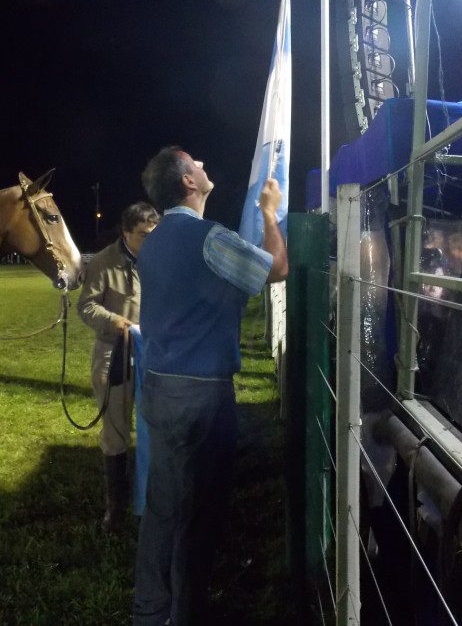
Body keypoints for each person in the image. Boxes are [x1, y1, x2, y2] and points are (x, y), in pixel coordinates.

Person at [132, 146, 288, 626]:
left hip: (158, 386)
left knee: (164, 507)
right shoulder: (209, 239)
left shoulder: (152, 241)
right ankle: (182, 614)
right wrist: (268, 213)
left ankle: (151, 611)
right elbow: (276, 268)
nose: (204, 164)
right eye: (196, 162)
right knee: (197, 515)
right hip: (199, 393)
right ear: (188, 182)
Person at [77, 201, 160, 532]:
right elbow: (87, 307)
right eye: (143, 235)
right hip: (115, 356)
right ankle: (116, 508)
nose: (150, 241)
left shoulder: (161, 258)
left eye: (155, 234)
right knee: (115, 433)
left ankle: (153, 503)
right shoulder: (103, 261)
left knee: (156, 431)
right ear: (126, 233)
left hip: (156, 355)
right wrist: (117, 323)